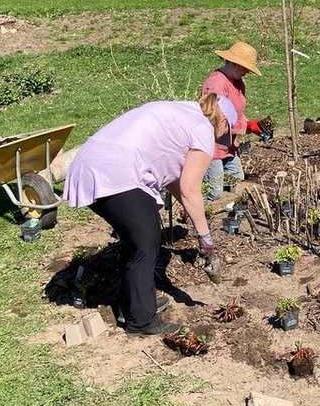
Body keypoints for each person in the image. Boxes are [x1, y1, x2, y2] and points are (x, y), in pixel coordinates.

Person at [64, 93, 238, 335]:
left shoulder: (183, 113)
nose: (220, 138)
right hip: (115, 172)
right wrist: (205, 239)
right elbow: (190, 189)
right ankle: (141, 321)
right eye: (225, 133)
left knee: (136, 241)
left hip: (92, 163)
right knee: (145, 243)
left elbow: (177, 183)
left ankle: (134, 305)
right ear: (224, 122)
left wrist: (193, 210)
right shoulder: (203, 129)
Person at [201, 41, 264, 199]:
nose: (247, 73)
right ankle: (189, 204)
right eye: (245, 68)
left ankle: (226, 205)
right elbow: (216, 121)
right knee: (213, 192)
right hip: (213, 147)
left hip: (228, 147)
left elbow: (237, 112)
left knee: (235, 180)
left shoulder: (238, 83)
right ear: (234, 63)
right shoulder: (216, 84)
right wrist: (245, 127)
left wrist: (249, 124)